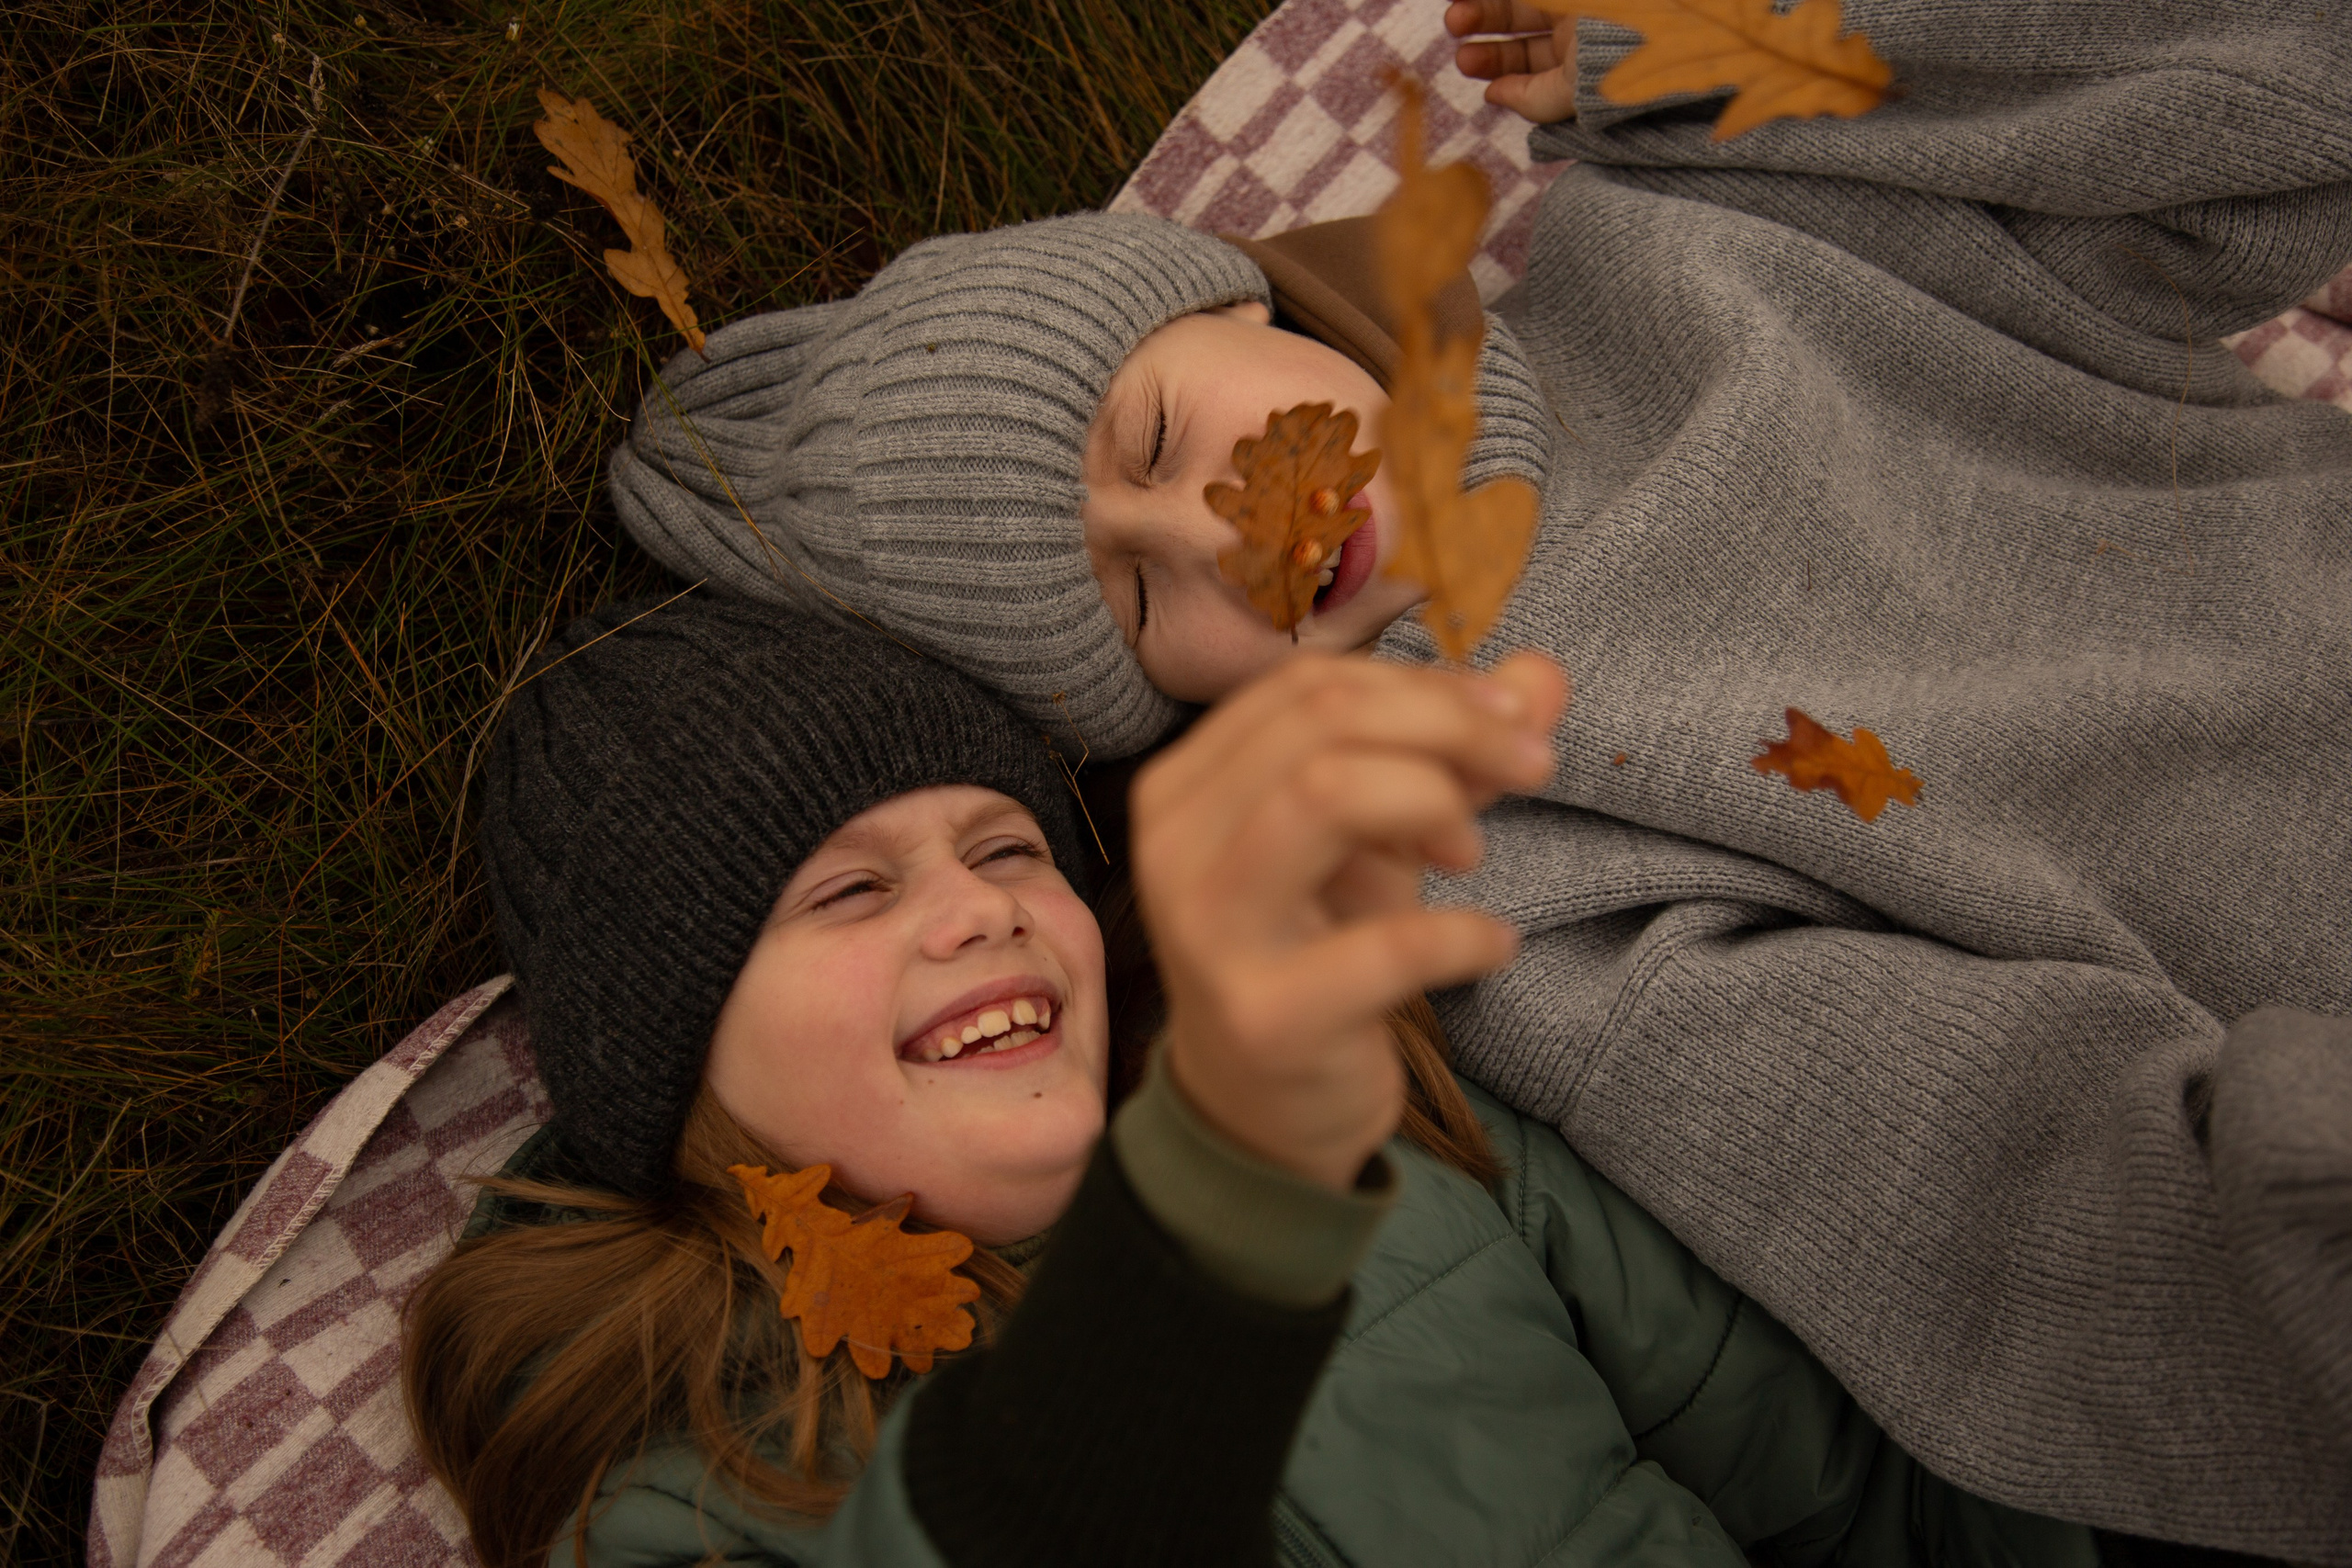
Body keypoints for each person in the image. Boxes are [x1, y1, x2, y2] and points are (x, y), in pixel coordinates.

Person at [599, 2, 2352, 1554]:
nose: (1232, 539)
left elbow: (2280, 102)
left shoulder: (1698, 237)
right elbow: (1991, 1184)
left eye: (1149, 435)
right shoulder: (1477, 867)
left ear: (1222, 292)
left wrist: (1768, 58)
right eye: (1132, 606)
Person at [401, 592, 2108, 1568]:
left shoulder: (1392, 1139)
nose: (982, 905)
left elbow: (1843, 1490)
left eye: (1006, 845)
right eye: (849, 892)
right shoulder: (696, 1491)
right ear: (681, 1068)